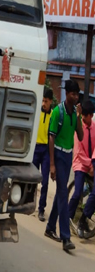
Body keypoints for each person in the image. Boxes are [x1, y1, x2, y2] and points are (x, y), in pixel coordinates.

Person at [44, 80, 84, 251]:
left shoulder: (75, 113)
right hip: (58, 155)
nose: (76, 97)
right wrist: (52, 164)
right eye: (73, 94)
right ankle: (66, 237)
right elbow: (51, 137)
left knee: (61, 192)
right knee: (62, 193)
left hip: (68, 155)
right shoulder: (57, 112)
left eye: (77, 94)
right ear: (66, 94)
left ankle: (50, 227)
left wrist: (79, 117)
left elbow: (80, 136)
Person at [68, 100, 95, 238]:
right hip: (80, 163)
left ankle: (84, 218)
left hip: (92, 163)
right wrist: (89, 165)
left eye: (85, 116)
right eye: (82, 115)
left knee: (92, 193)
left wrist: (92, 163)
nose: (83, 118)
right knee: (77, 192)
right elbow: (78, 152)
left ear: (91, 115)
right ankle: (68, 216)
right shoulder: (79, 127)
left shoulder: (94, 127)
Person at [33, 88, 53, 222]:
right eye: (42, 101)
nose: (43, 103)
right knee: (32, 180)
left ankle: (41, 209)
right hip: (35, 148)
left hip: (46, 150)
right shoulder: (37, 113)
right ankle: (28, 203)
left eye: (46, 101)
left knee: (44, 182)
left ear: (50, 101)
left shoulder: (53, 116)